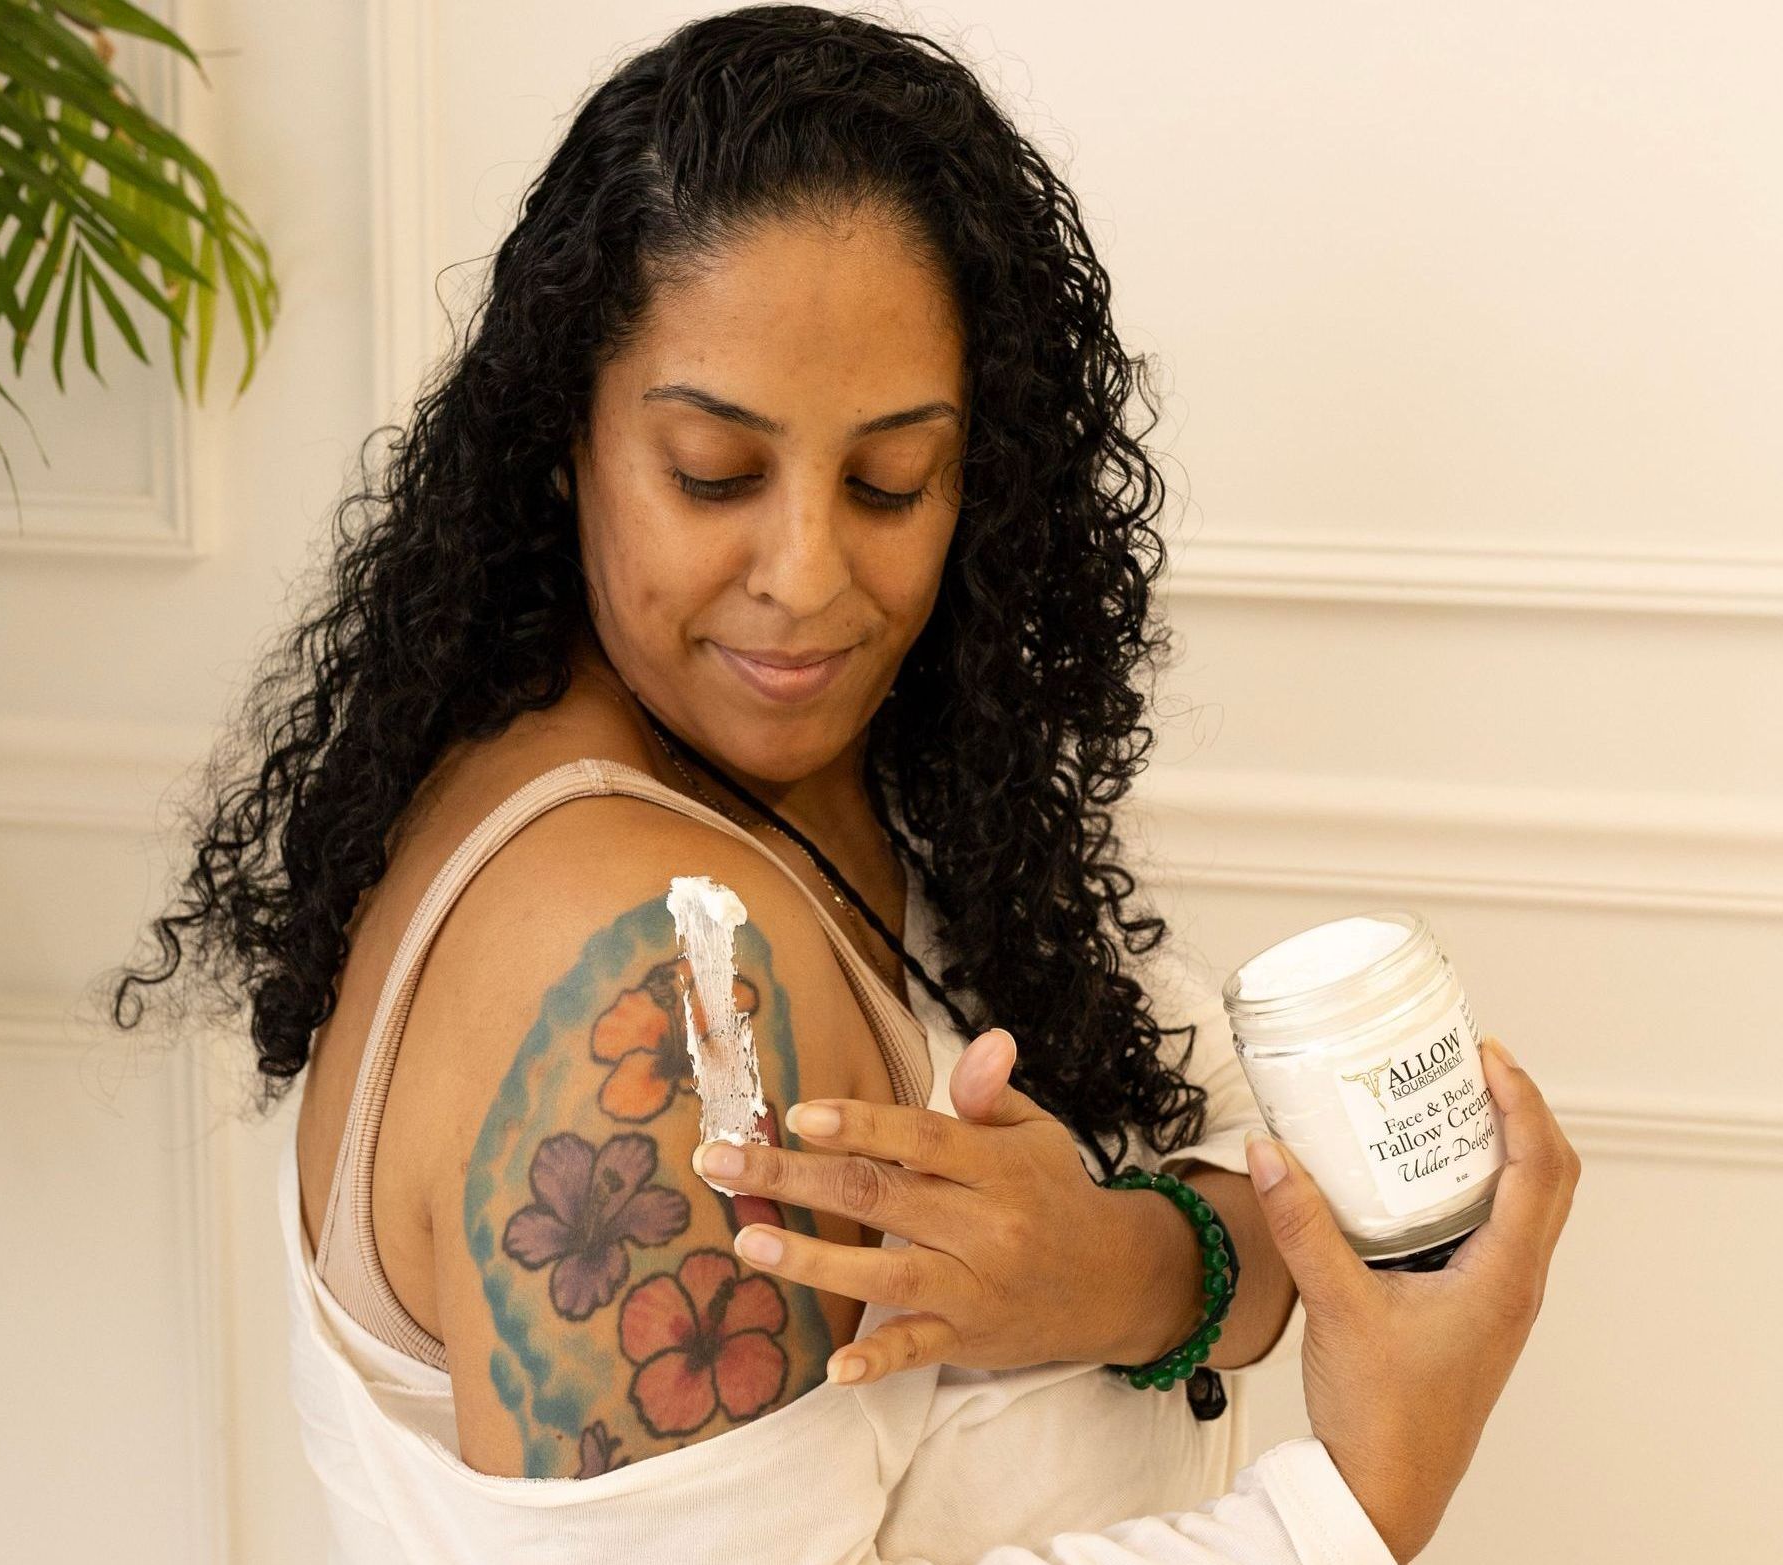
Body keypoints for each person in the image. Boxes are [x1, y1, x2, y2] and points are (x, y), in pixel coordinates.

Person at [100, 7, 1580, 1561]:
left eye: (890, 482)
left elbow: (1244, 1173)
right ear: (563, 442)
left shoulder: (855, 771)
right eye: (714, 474)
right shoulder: (651, 962)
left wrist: (1122, 1266)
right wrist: (1369, 1490)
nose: (807, 578)